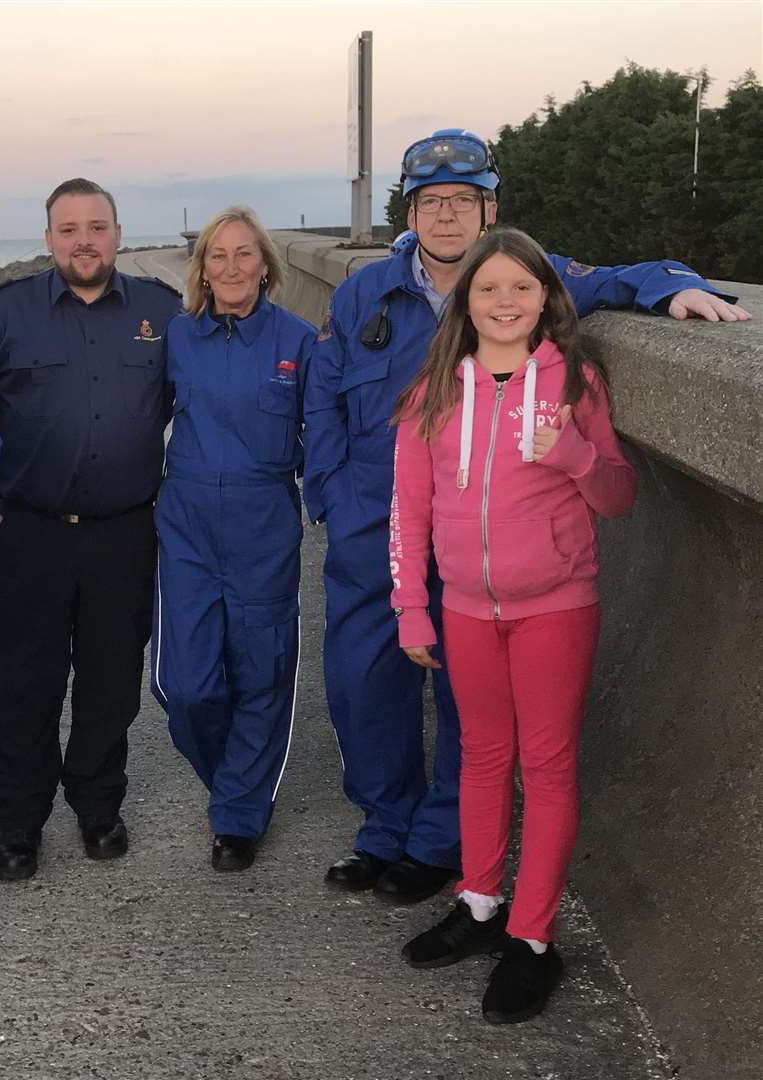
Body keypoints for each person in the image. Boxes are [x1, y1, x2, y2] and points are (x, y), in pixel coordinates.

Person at [304, 129, 750, 905]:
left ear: (490, 208)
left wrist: (671, 286)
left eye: (463, 202)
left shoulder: (519, 280)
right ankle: (382, 830)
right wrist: (333, 496)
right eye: (431, 202)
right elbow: (323, 397)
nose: (446, 217)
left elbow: (614, 278)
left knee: (468, 705)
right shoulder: (361, 292)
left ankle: (437, 845)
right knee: (360, 682)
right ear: (411, 210)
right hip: (376, 522)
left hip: (483, 534)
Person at [389, 227, 636, 1022]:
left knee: (548, 764)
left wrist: (570, 454)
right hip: (463, 608)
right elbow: (409, 511)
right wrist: (410, 607)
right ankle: (480, 903)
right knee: (481, 757)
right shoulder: (434, 388)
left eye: (520, 289)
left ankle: (532, 939)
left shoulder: (574, 385)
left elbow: (616, 496)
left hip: (556, 605)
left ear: (544, 300)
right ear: (465, 301)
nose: (503, 303)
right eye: (487, 289)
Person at [0, 178, 182, 881]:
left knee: (109, 684)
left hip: (124, 535)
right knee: (25, 686)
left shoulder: (163, 312)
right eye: (68, 229)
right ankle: (19, 824)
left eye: (96, 227)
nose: (82, 240)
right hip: (26, 534)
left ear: (117, 234)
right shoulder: (4, 316)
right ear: (48, 237)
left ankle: (97, 808)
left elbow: (202, 406)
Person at [150, 206, 319, 871]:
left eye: (244, 254)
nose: (230, 267)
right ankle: (233, 778)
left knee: (261, 675)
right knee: (182, 686)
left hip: (262, 531)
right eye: (217, 256)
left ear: (266, 266)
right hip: (186, 527)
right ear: (201, 269)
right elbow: (137, 425)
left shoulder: (299, 342)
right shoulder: (177, 338)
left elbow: (322, 440)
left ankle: (239, 816)